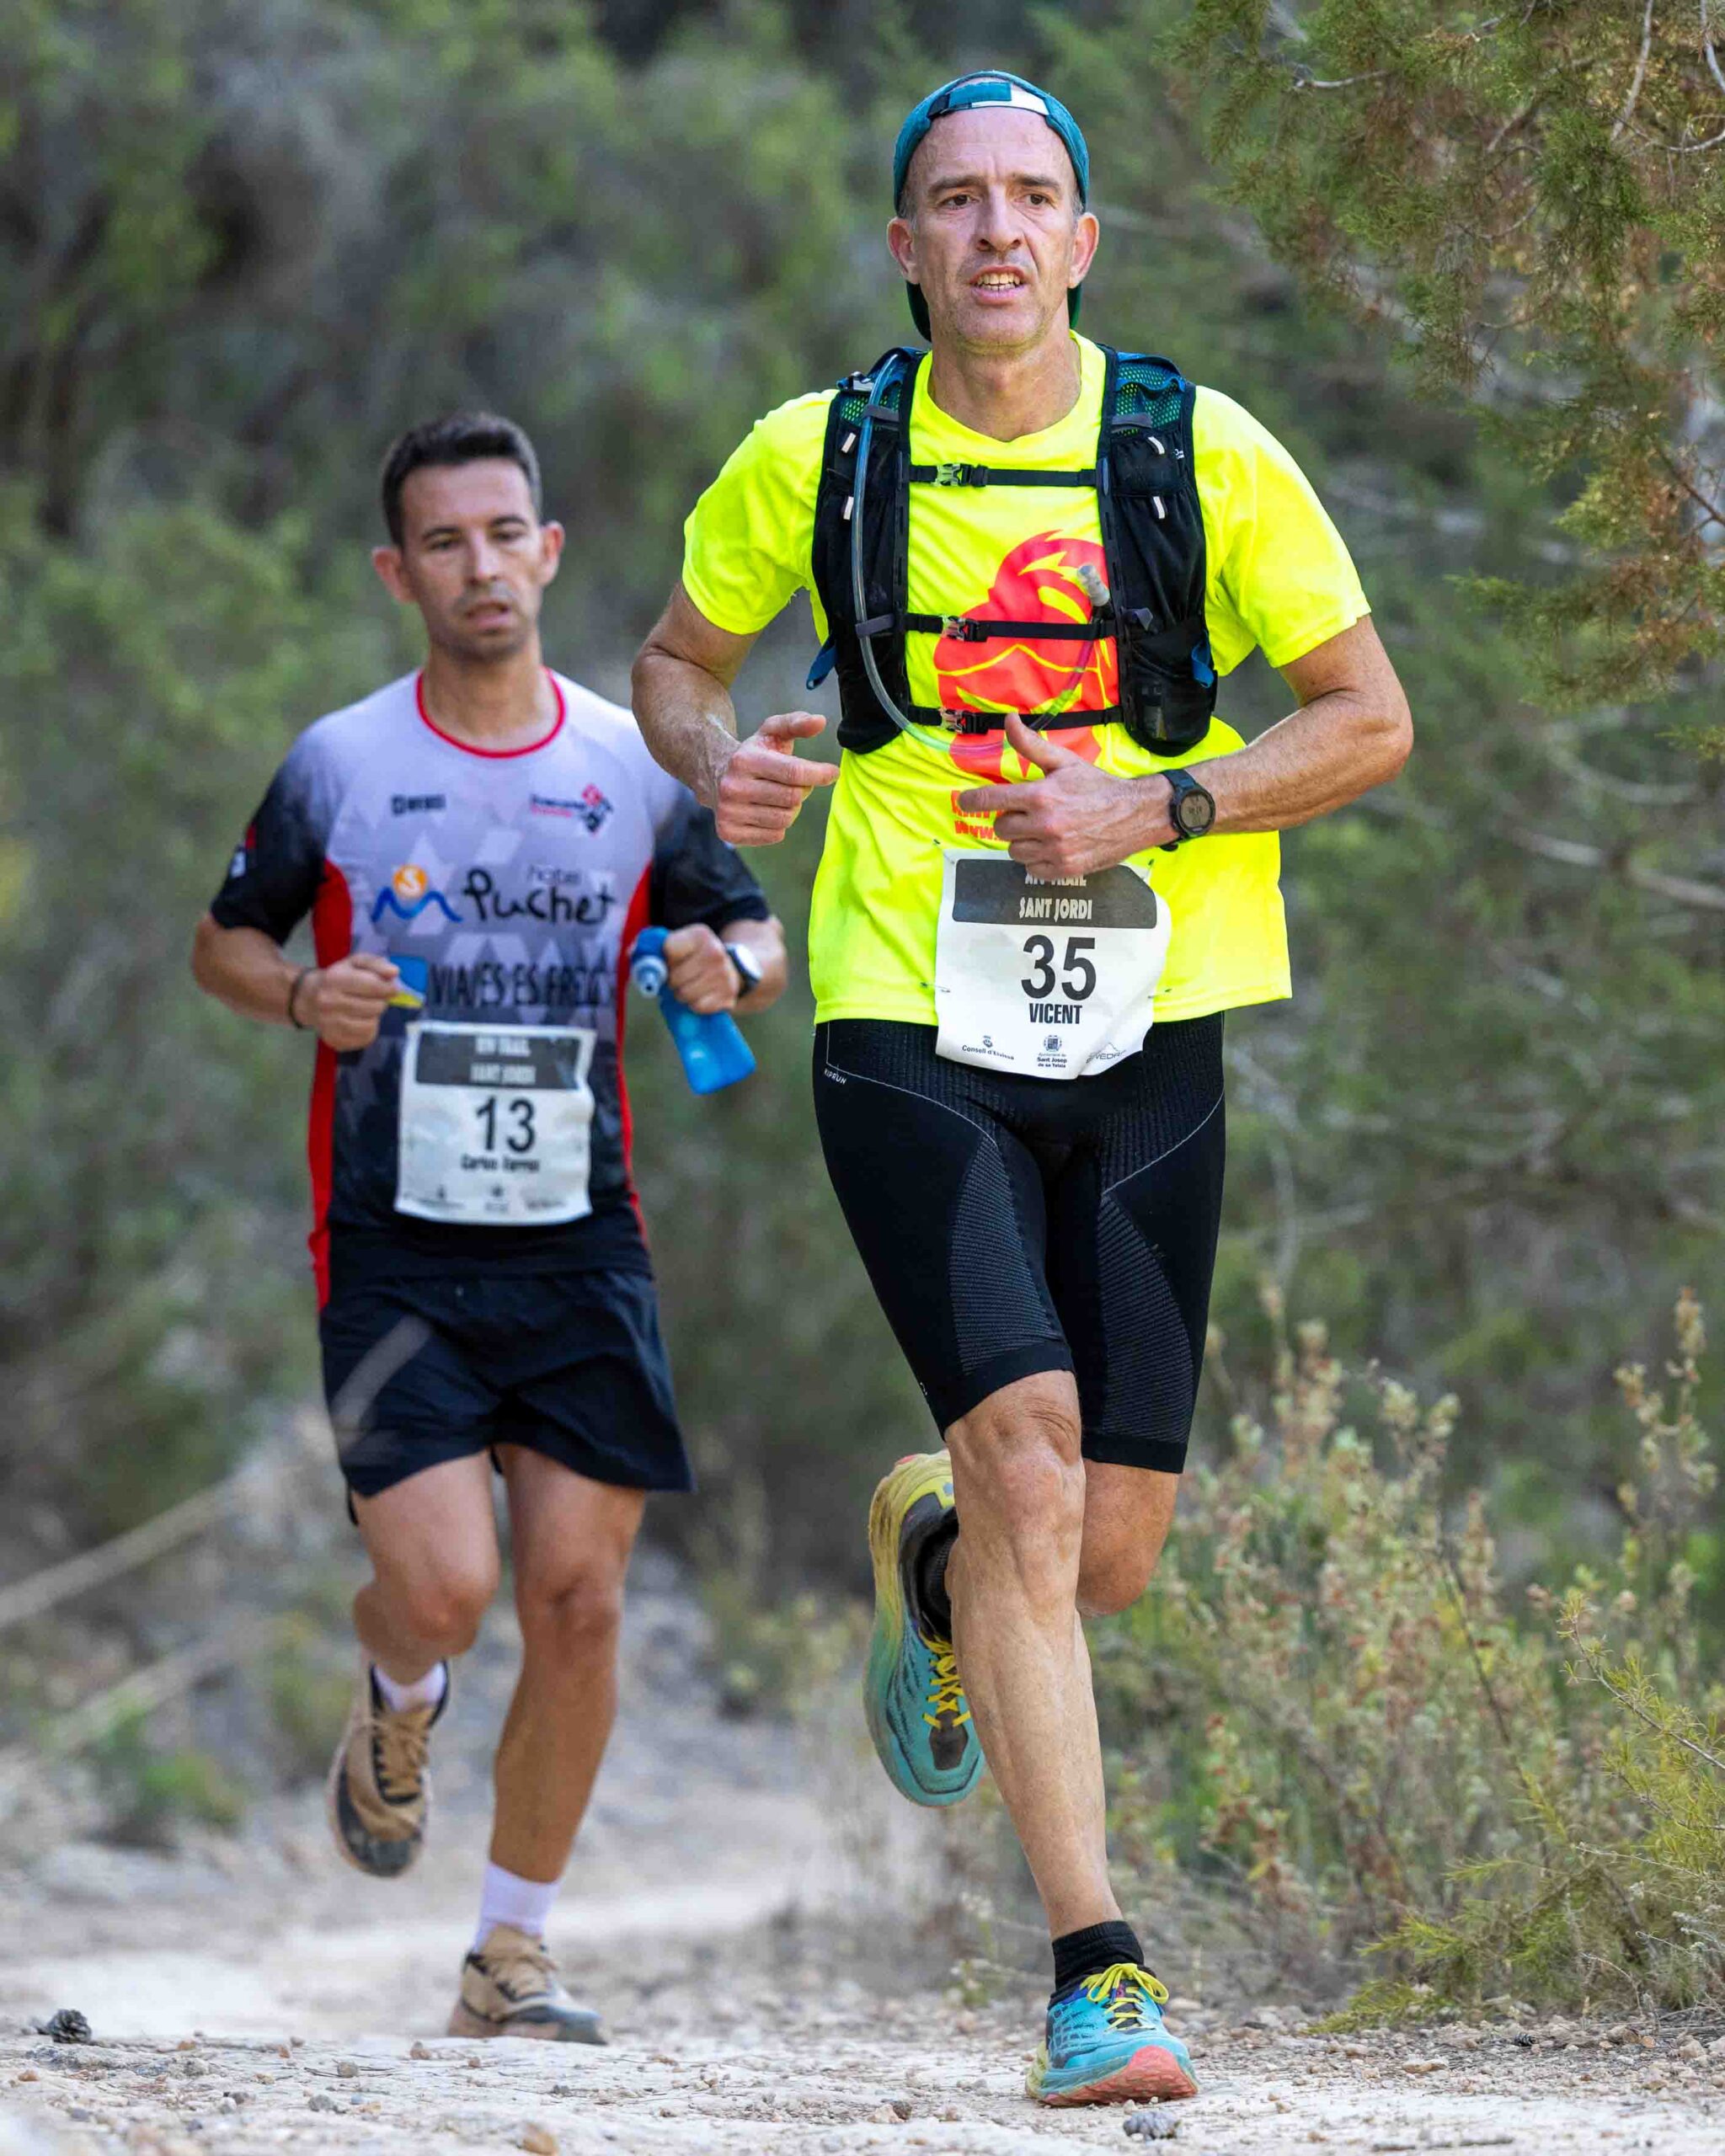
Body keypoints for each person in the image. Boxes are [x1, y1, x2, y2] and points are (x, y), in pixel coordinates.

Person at [630, 71, 1411, 2106]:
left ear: (1082, 240)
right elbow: (674, 659)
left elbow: (1366, 717)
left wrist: (1162, 799)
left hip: (1155, 1012)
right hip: (908, 1003)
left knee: (1099, 1548)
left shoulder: (1199, 453)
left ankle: (931, 1553)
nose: (994, 231)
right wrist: (719, 761)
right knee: (1034, 1463)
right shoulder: (815, 452)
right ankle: (1098, 1974)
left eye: (1030, 197)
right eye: (955, 201)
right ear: (904, 247)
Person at [192, 412, 785, 2043]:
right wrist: (301, 993)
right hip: (391, 1242)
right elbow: (223, 940)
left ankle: (509, 1949)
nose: (479, 566)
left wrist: (729, 965)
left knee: (579, 1601)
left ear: (550, 552)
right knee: (446, 1591)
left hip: (582, 1239)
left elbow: (744, 931)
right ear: (399, 572)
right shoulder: (339, 762)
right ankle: (399, 1691)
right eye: (443, 541)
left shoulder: (624, 761)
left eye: (503, 532)